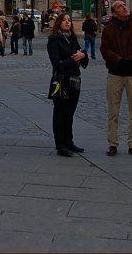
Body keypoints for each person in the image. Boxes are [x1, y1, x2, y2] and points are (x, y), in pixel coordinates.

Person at [100, 0, 132, 158]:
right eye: (120, 7)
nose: (125, 8)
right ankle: (112, 143)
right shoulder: (108, 30)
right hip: (115, 74)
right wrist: (119, 60)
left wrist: (131, 61)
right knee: (113, 111)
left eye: (125, 5)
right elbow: (105, 50)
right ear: (114, 12)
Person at [47, 13, 89, 157]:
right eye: (64, 20)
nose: (67, 22)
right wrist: (73, 59)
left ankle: (69, 142)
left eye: (69, 20)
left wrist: (83, 56)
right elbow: (57, 64)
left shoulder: (72, 38)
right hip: (61, 81)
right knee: (60, 114)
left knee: (70, 113)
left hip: (74, 80)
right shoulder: (54, 41)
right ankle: (61, 145)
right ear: (58, 23)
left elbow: (80, 55)